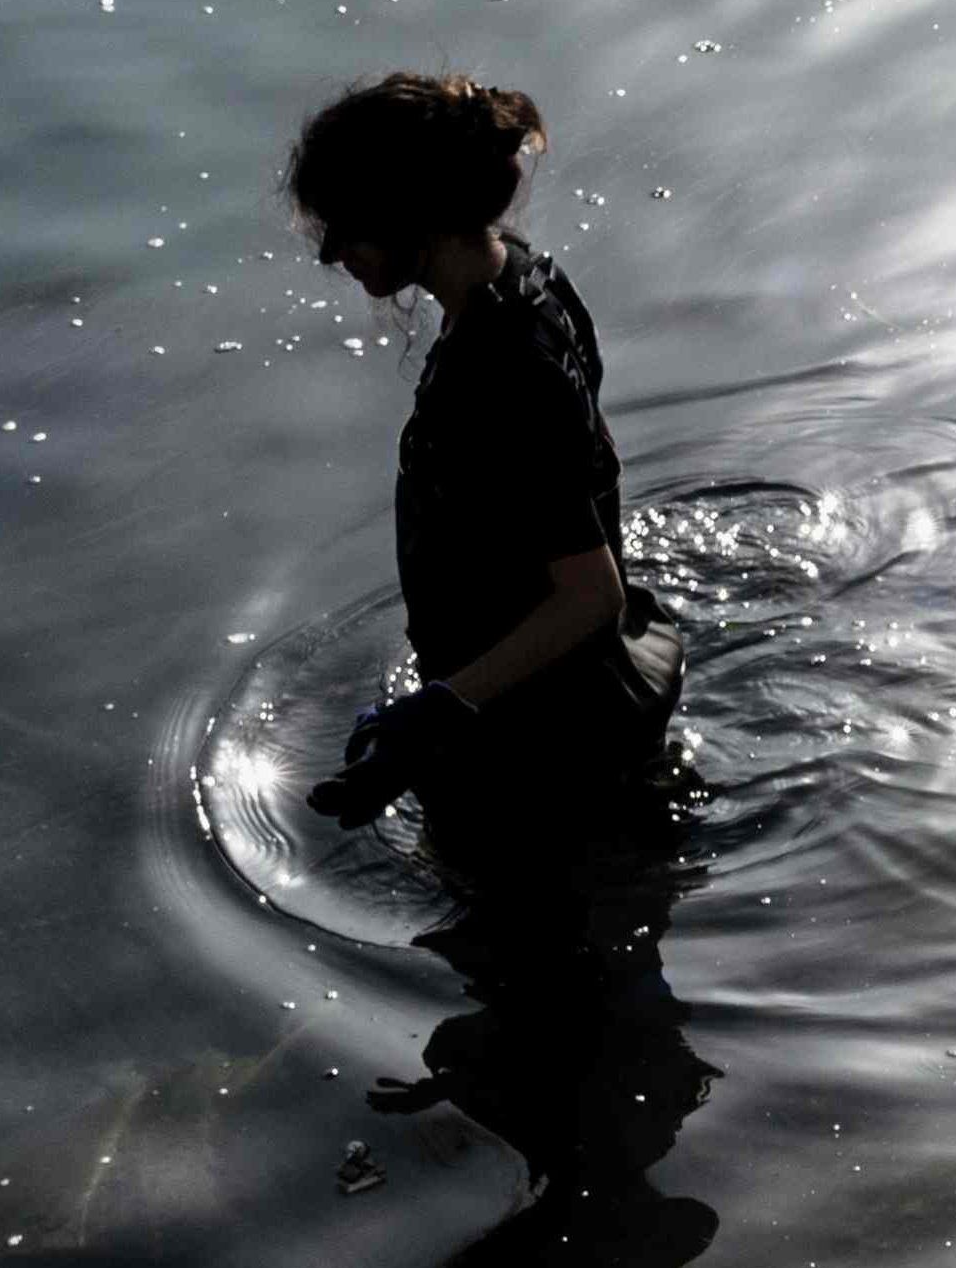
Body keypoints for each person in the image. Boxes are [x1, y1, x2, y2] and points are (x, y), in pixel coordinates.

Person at [281, 71, 684, 865]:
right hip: (572, 701)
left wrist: (433, 715)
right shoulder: (530, 281)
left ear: (410, 218)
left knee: (528, 964)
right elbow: (588, 462)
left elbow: (590, 599)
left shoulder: (497, 371)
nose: (332, 251)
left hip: (548, 737)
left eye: (347, 227)